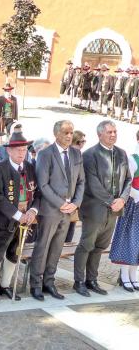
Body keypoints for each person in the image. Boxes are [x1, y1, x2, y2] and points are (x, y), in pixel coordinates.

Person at [29, 120, 85, 301]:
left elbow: (81, 182)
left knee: (57, 248)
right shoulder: (46, 154)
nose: (69, 136)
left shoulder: (76, 154)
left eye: (71, 132)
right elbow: (42, 184)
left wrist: (75, 203)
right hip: (51, 209)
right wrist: (60, 203)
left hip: (68, 210)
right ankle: (36, 284)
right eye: (66, 132)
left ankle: (49, 282)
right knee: (43, 246)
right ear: (56, 134)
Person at [74, 120, 131, 296]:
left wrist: (122, 198)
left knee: (100, 246)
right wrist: (111, 201)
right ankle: (79, 281)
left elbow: (128, 179)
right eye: (109, 132)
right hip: (94, 208)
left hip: (114, 210)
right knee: (86, 244)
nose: (113, 135)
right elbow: (92, 183)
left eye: (115, 131)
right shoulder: (90, 154)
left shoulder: (121, 153)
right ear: (100, 134)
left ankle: (92, 279)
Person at [0, 132, 39, 303]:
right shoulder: (0, 168)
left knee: (14, 253)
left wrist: (33, 211)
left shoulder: (31, 168)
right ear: (9, 150)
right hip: (5, 219)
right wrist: (18, 215)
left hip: (26, 219)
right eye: (17, 150)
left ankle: (5, 285)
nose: (21, 153)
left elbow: (37, 193)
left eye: (24, 150)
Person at [110, 129, 139, 292]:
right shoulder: (133, 159)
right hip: (133, 205)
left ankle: (134, 274)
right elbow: (127, 183)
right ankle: (124, 275)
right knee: (128, 239)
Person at [65, 130, 86, 243]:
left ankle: (66, 245)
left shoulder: (80, 155)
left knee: (72, 222)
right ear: (77, 142)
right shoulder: (69, 154)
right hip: (65, 195)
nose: (83, 144)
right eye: (82, 141)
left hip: (75, 196)